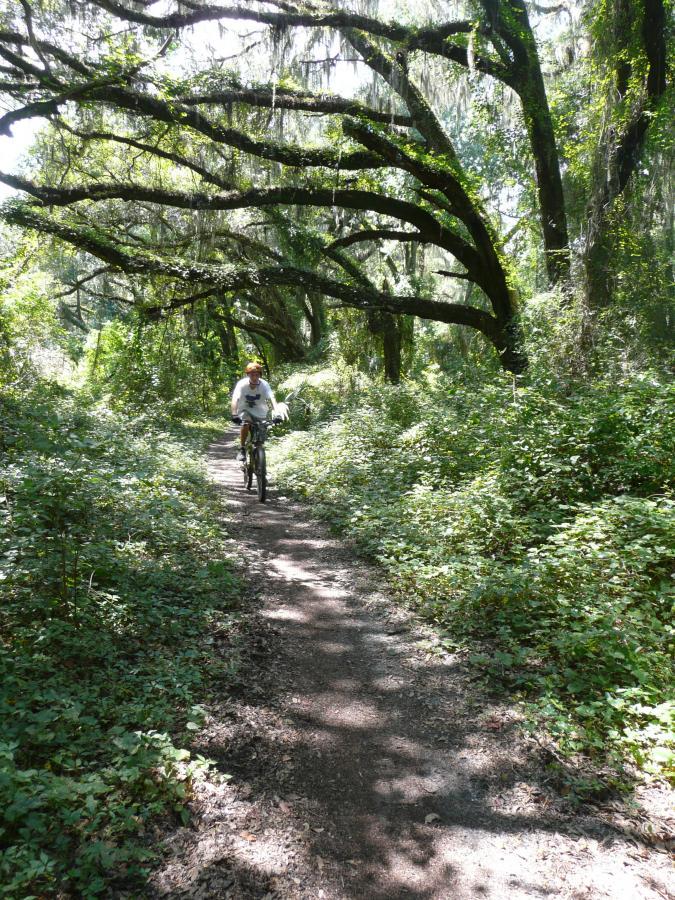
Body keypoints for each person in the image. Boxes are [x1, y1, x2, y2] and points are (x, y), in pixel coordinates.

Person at [230, 362, 286, 461]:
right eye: (252, 374)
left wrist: (277, 414)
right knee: (246, 424)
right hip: (245, 409)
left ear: (260, 375)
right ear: (248, 375)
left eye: (257, 374)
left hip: (260, 411)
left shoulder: (264, 385)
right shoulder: (242, 384)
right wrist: (234, 414)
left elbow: (272, 399)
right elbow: (235, 399)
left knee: (260, 439)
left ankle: (259, 463)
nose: (254, 376)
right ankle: (242, 448)